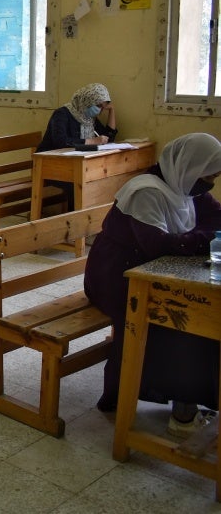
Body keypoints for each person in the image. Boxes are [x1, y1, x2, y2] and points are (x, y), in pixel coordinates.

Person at [85, 133, 221, 436]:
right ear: (190, 166)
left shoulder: (185, 185)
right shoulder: (145, 191)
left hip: (145, 271)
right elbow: (158, 246)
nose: (210, 181)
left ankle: (191, 399)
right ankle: (183, 410)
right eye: (208, 174)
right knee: (183, 320)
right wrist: (205, 239)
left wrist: (198, 239)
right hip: (115, 277)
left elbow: (216, 218)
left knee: (201, 314)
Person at [36, 83, 117, 152]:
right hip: (49, 158)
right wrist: (92, 141)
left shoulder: (89, 118)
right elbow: (60, 142)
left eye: (102, 108)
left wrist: (111, 111)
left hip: (74, 159)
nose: (99, 110)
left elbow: (108, 139)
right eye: (98, 106)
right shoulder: (61, 114)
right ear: (87, 100)